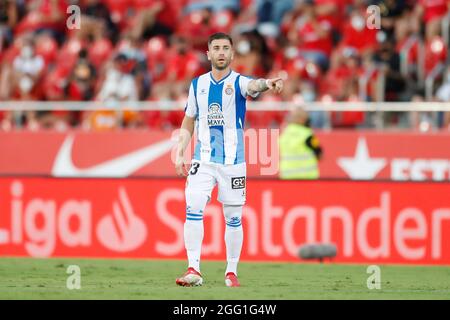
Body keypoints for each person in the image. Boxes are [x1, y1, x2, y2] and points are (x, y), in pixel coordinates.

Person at [174, 32, 283, 287]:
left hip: (233, 162)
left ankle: (231, 272)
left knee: (233, 217)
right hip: (203, 159)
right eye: (216, 48)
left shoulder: (239, 82)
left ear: (232, 54)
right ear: (208, 54)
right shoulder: (197, 85)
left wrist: (268, 83)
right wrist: (181, 151)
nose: (221, 52)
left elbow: (254, 86)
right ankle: (194, 269)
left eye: (225, 48)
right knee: (193, 207)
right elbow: (189, 118)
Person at [279, 107, 322, 179]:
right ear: (301, 119)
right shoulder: (307, 134)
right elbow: (320, 154)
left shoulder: (284, 133)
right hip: (306, 177)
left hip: (287, 176)